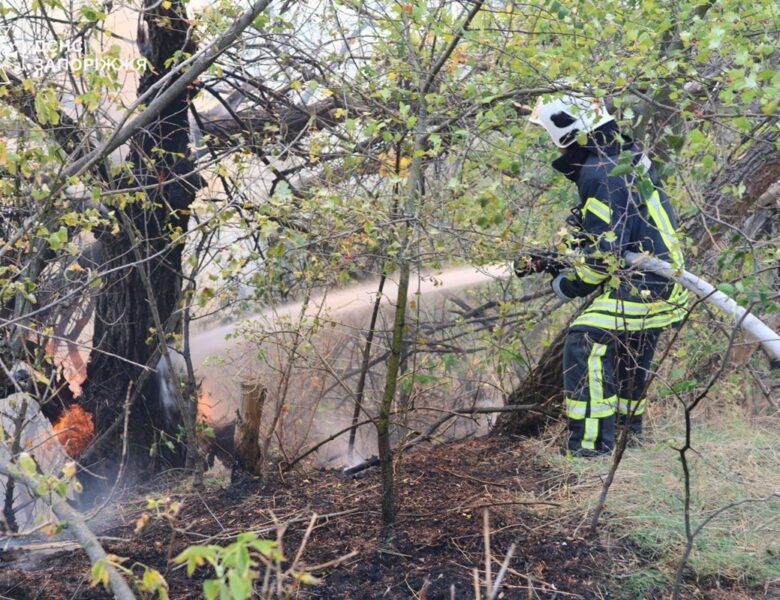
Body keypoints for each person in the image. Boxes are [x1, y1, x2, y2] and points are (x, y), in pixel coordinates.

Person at [524, 93, 689, 457]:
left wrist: (567, 283)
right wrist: (565, 252)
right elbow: (618, 233)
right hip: (660, 283)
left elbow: (603, 258)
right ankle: (631, 438)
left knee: (584, 339)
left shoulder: (600, 172)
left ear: (566, 132)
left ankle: (590, 451)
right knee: (630, 351)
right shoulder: (619, 157)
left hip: (648, 284)